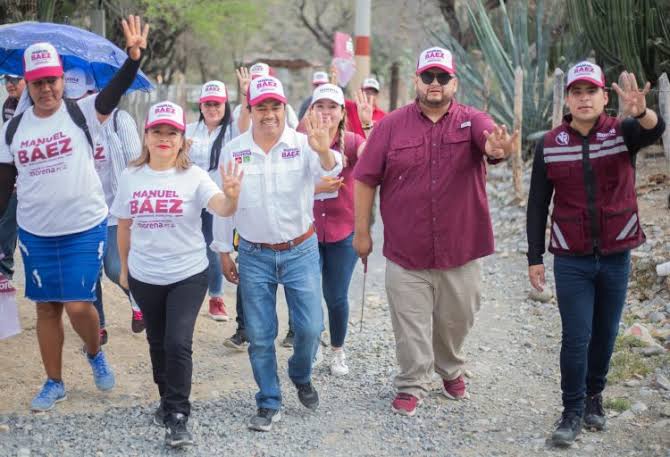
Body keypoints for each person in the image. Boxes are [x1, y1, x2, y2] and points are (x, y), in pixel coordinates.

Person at [353, 46, 518, 417]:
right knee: (409, 323)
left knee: (455, 320)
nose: (435, 84)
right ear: (417, 80)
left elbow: (490, 140)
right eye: (428, 76)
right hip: (406, 251)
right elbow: (364, 179)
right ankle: (412, 382)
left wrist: (497, 147)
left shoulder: (472, 119)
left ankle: (451, 368)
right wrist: (360, 232)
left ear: (454, 82)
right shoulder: (391, 126)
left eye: (443, 77)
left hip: (461, 249)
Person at [0, 15, 149, 412]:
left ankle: (94, 351)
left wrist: (133, 59)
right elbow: (4, 186)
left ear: (62, 79)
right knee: (46, 307)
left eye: (52, 80)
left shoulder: (82, 112)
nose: (46, 88)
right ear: (28, 85)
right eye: (38, 82)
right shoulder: (13, 130)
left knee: (79, 304)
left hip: (84, 226)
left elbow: (114, 93)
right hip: (35, 232)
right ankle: (54, 382)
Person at [526, 61, 665, 447]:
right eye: (577, 92)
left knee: (605, 334)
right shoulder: (551, 144)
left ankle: (594, 398)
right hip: (571, 258)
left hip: (617, 255)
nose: (584, 99)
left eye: (591, 92)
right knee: (576, 336)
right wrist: (534, 257)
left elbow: (655, 129)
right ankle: (571, 411)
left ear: (605, 97)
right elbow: (538, 204)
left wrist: (643, 111)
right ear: (568, 100)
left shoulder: (623, 132)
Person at [212, 75, 342, 432]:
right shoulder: (234, 149)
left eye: (275, 106)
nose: (269, 114)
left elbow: (333, 169)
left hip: (300, 250)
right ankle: (269, 401)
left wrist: (323, 149)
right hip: (254, 254)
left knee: (311, 326)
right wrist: (223, 250)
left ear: (284, 108)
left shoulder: (303, 143)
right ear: (250, 110)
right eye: (261, 107)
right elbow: (225, 201)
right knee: (259, 332)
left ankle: (300, 373)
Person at [112, 101, 242, 447]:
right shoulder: (131, 176)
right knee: (157, 343)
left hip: (187, 274)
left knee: (177, 342)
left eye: (173, 132)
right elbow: (124, 227)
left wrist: (231, 199)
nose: (165, 138)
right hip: (145, 274)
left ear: (184, 139)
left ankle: (178, 416)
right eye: (158, 131)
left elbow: (220, 207)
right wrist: (124, 271)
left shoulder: (194, 176)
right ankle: (166, 400)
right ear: (147, 136)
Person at [63, 68, 145, 342]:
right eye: (72, 99)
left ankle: (139, 302)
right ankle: (98, 325)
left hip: (114, 212)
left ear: (95, 93)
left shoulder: (119, 120)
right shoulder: (66, 126)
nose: (78, 103)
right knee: (89, 271)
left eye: (84, 95)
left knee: (113, 267)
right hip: (83, 213)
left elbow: (135, 163)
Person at [307, 83, 367, 376]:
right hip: (306, 232)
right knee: (307, 292)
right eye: (321, 106)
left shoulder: (353, 142)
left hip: (344, 232)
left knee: (336, 295)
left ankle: (337, 350)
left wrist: (369, 125)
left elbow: (376, 156)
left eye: (332, 107)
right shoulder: (299, 141)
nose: (326, 112)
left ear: (342, 113)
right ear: (311, 111)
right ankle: (313, 344)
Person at [185, 80, 238, 322]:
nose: (212, 108)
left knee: (214, 245)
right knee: (190, 246)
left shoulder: (233, 131)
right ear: (201, 105)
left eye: (217, 104)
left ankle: (216, 297)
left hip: (218, 199)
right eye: (208, 104)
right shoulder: (187, 130)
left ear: (225, 105)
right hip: (191, 199)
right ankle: (186, 296)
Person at [0, 74, 26, 280]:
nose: (9, 84)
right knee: (5, 223)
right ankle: (3, 274)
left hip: (34, 178)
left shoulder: (37, 106)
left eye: (15, 79)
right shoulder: (8, 104)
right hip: (13, 175)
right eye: (6, 79)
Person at [233, 63, 299, 133]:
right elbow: (243, 131)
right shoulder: (240, 109)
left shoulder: (287, 109)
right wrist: (246, 95)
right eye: (253, 81)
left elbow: (296, 132)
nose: (258, 84)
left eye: (262, 80)